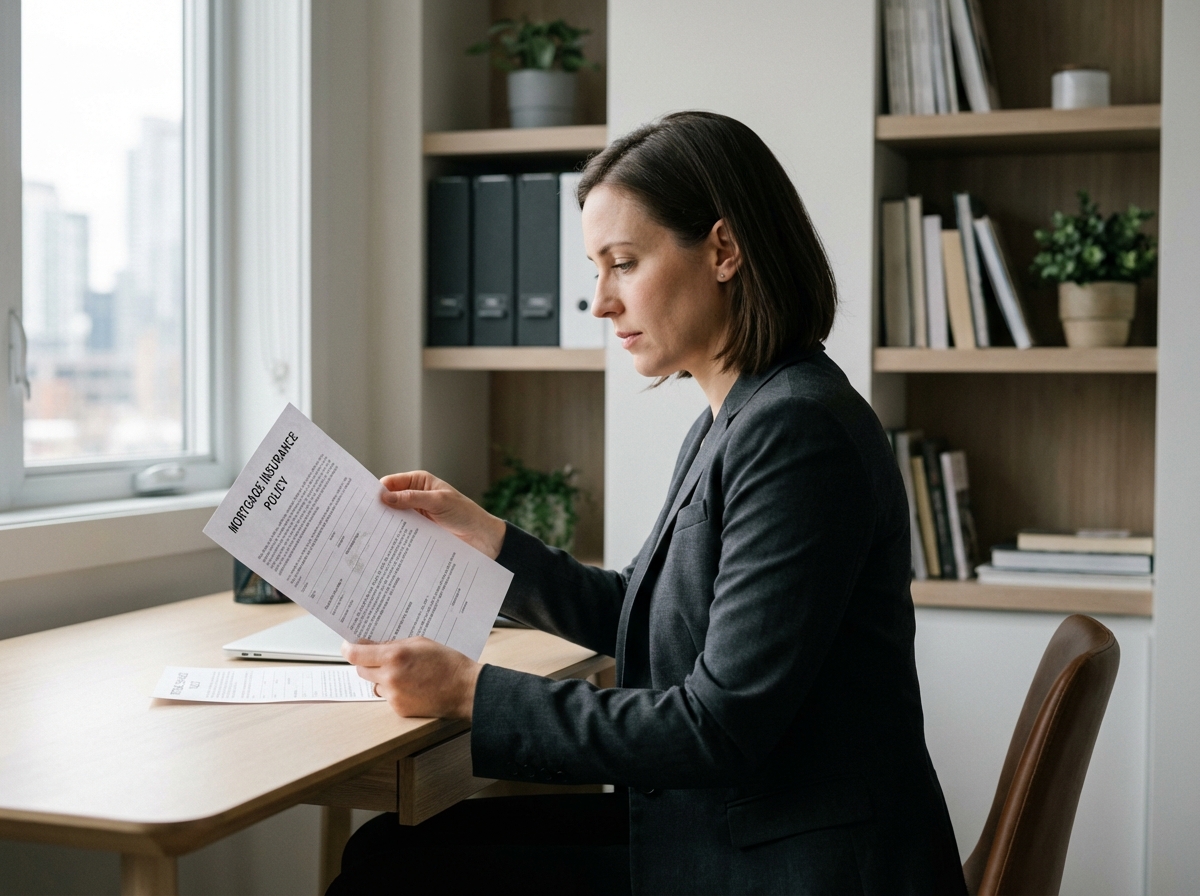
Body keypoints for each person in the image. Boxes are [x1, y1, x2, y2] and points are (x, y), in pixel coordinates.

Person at [328, 111, 967, 896]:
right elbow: (645, 611)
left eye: (623, 264)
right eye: (596, 270)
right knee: (388, 850)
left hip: (791, 863)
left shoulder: (797, 433)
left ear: (724, 250)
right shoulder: (734, 418)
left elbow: (717, 726)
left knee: (390, 870)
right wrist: (488, 539)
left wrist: (470, 692)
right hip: (735, 826)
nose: (600, 302)